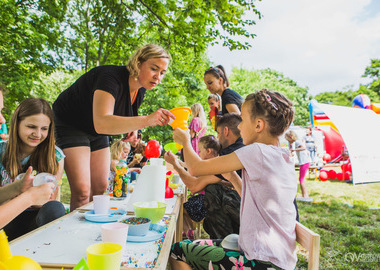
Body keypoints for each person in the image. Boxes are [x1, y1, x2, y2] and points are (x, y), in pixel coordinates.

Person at [170, 89, 297, 270]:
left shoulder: (257, 152)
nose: (239, 126)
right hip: (278, 258)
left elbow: (195, 168)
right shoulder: (283, 156)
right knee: (198, 245)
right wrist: (232, 176)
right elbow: (255, 198)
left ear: (258, 125)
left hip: (261, 261)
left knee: (177, 251)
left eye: (243, 120)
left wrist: (185, 142)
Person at [52, 44, 175, 210]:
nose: (158, 77)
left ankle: (94, 227)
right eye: (154, 68)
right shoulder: (110, 77)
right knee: (82, 191)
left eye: (162, 72)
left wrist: (134, 130)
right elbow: (102, 122)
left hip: (95, 129)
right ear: (138, 63)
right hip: (71, 123)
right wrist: (146, 120)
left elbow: (126, 118)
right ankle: (74, 233)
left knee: (100, 187)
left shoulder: (140, 90)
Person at [1, 98, 66, 240]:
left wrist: (37, 197)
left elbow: (50, 199)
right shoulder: (1, 151)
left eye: (44, 129)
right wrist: (19, 192)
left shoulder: (55, 156)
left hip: (35, 220)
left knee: (56, 208)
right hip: (6, 219)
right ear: (17, 124)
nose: (37, 134)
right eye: (31, 127)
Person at [164, 135, 224, 239]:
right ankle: (189, 232)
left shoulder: (213, 165)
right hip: (208, 200)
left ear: (209, 151)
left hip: (209, 203)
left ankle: (187, 232)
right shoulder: (215, 162)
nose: (198, 154)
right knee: (183, 206)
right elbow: (194, 170)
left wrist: (176, 164)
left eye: (200, 151)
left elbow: (194, 183)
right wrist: (180, 163)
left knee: (181, 208)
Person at [285, 130, 312, 201]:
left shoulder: (297, 142)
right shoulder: (296, 142)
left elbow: (303, 148)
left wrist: (294, 149)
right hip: (304, 162)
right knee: (301, 179)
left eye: (288, 139)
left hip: (304, 162)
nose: (288, 141)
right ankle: (304, 194)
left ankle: (305, 195)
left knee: (301, 179)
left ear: (291, 137)